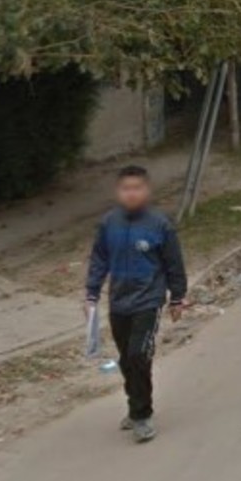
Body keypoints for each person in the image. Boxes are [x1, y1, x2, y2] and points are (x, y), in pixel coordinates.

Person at [84, 165, 188, 443]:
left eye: (137, 188)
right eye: (126, 189)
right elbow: (99, 260)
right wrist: (91, 294)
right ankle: (134, 406)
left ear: (147, 190)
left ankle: (142, 416)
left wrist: (177, 298)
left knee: (139, 355)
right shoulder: (109, 223)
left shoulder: (160, 224)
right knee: (126, 359)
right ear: (118, 192)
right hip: (119, 303)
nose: (131, 194)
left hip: (148, 301)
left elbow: (174, 264)